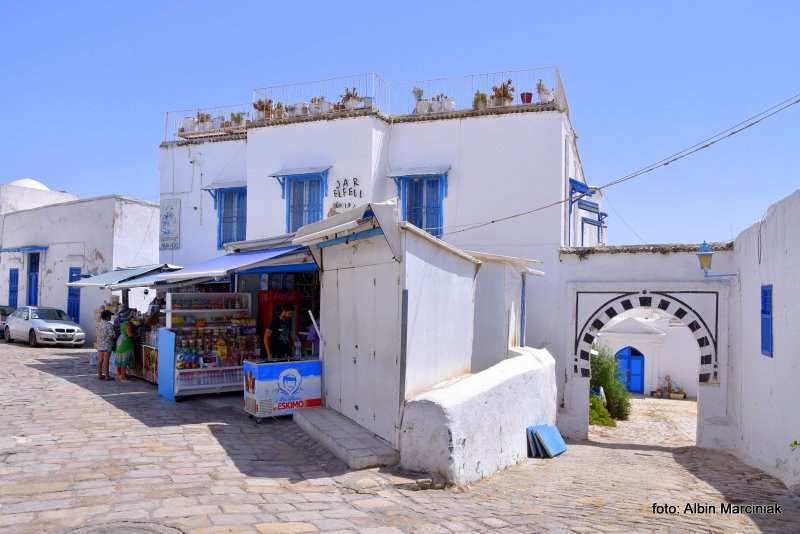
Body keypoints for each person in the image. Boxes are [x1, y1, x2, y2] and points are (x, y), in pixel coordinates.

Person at [95, 310, 115, 380]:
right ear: (107, 317)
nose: (111, 317)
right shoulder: (109, 325)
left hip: (100, 344)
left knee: (100, 360)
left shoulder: (98, 324)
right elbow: (112, 335)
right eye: (110, 316)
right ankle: (107, 375)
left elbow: (97, 334)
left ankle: (99, 374)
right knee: (106, 360)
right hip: (108, 344)